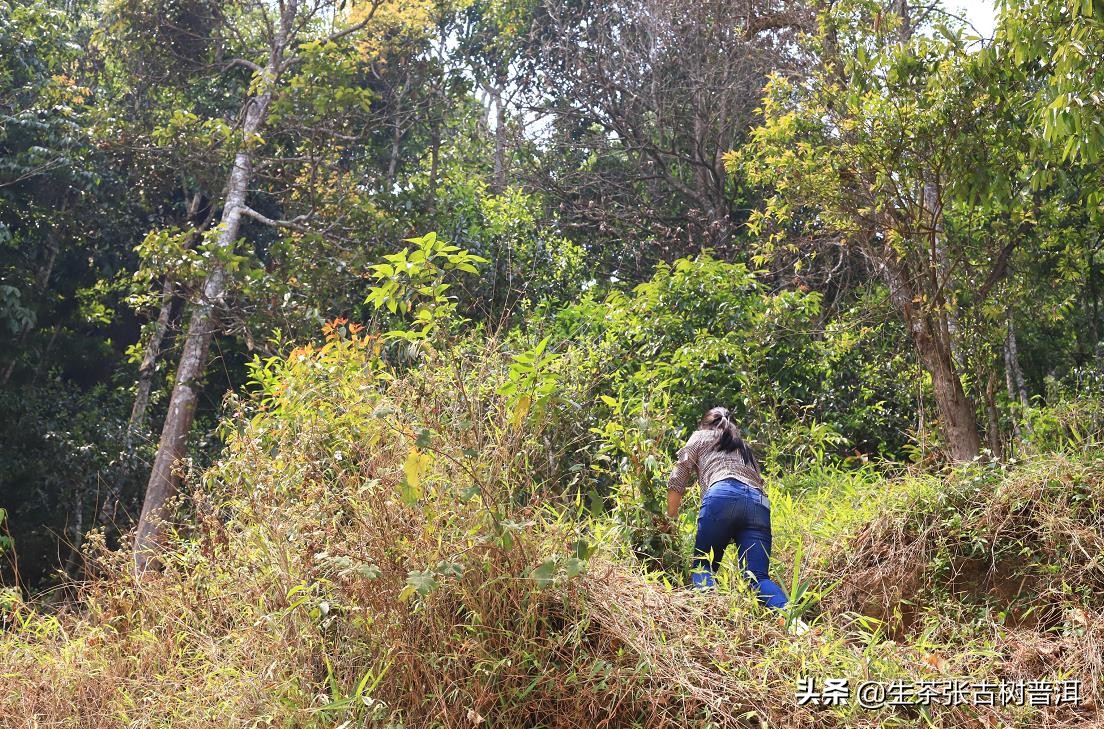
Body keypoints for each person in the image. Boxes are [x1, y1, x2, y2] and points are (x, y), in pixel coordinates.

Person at [665, 407, 788, 609]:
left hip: (721, 494)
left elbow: (678, 476)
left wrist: (670, 519)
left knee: (704, 566)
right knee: (756, 577)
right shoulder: (743, 447)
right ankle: (795, 625)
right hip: (758, 502)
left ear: (705, 423)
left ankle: (710, 618)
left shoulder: (700, 436)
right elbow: (758, 479)